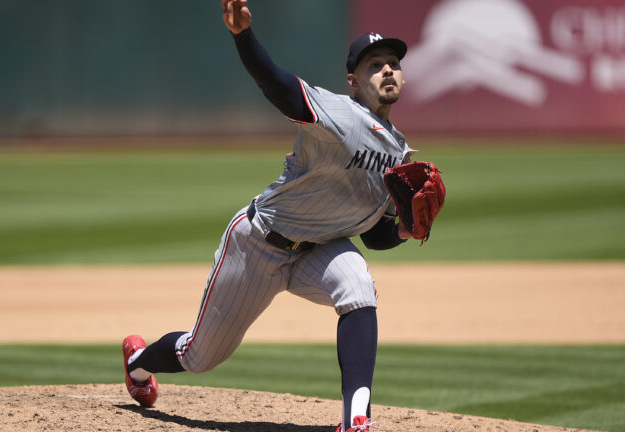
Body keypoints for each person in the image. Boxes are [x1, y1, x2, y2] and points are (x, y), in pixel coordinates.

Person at [122, 1, 416, 430]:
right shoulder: (336, 112)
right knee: (199, 356)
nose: (388, 70)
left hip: (318, 250)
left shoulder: (399, 152)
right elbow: (278, 86)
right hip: (259, 243)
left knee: (358, 287)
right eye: (375, 65)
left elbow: (373, 234)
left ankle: (356, 418)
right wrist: (243, 36)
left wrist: (403, 230)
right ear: (353, 81)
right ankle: (137, 364)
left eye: (393, 63)